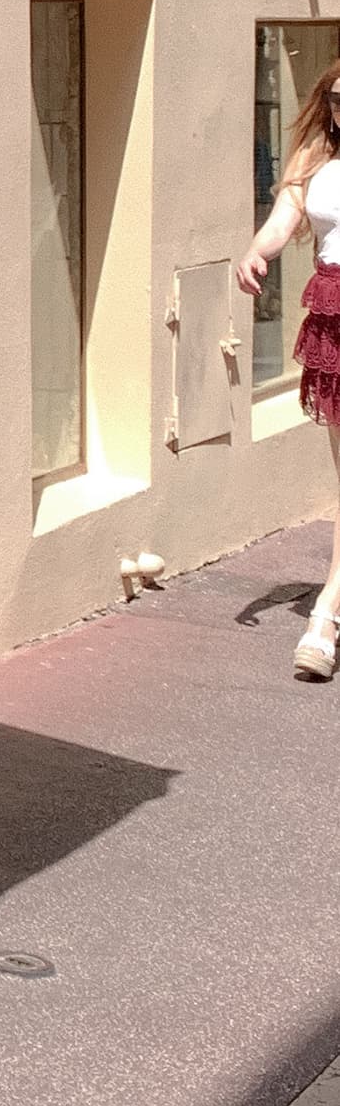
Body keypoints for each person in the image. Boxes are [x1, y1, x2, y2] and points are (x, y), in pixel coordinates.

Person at [237, 53, 340, 678]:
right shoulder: (314, 159)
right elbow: (284, 221)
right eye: (337, 98)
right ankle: (329, 608)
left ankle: (327, 611)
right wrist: (257, 249)